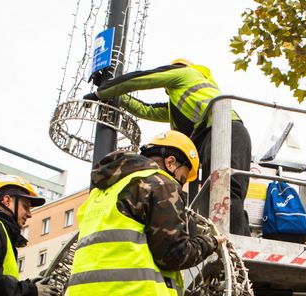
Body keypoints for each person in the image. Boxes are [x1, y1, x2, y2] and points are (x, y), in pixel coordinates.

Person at [64, 130, 222, 296]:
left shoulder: (101, 193)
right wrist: (209, 242)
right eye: (181, 176)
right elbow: (173, 254)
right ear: (170, 162)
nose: (180, 184)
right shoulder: (159, 183)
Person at [87, 59, 252, 236]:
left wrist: (103, 91)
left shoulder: (186, 73)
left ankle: (233, 243)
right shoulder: (175, 106)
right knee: (215, 197)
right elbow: (145, 109)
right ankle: (234, 242)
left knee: (227, 190)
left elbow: (144, 79)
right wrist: (115, 94)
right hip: (212, 139)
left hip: (227, 130)